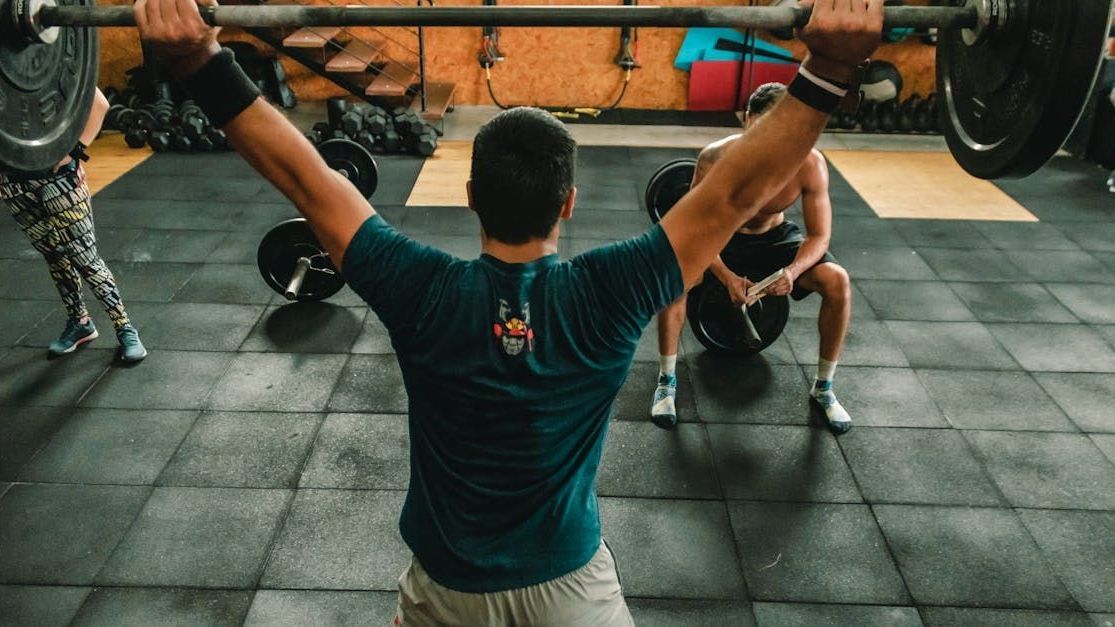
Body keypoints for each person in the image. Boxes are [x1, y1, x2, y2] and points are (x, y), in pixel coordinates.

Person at [136, 0, 882, 622]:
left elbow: (304, 177)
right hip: (570, 594)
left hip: (445, 591)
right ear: (569, 203)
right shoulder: (611, 290)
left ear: (470, 198)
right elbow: (734, 195)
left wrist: (198, 62)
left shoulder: (417, 287)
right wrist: (829, 69)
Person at [651, 82, 853, 434]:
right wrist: (725, 275)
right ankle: (666, 381)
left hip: (775, 240)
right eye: (758, 130)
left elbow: (819, 235)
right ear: (747, 120)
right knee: (676, 277)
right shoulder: (715, 157)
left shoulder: (809, 163)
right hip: (721, 236)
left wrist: (792, 272)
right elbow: (694, 226)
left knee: (837, 281)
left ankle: (824, 387)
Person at [0, 89, 147, 362]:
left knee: (85, 257)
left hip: (60, 179)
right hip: (13, 182)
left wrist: (75, 150)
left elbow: (99, 104)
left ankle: (125, 327)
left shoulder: (48, 57)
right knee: (53, 255)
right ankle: (80, 323)